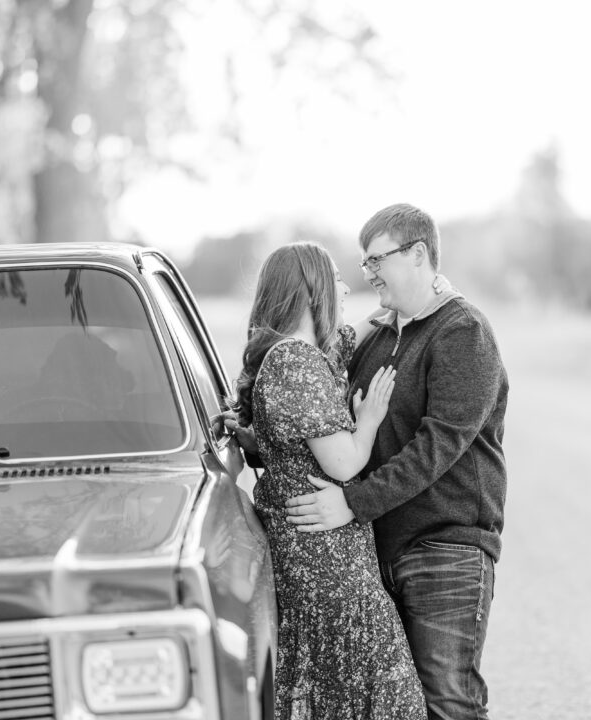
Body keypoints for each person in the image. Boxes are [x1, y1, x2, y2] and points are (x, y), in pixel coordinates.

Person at [284, 203, 509, 720]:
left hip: (446, 549)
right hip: (380, 548)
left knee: (447, 702)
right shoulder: (382, 334)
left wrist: (353, 503)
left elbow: (437, 448)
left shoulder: (462, 332)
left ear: (419, 255)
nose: (369, 275)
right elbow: (319, 408)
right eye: (365, 265)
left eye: (376, 261)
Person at [230, 242, 426, 720]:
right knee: (379, 689)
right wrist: (371, 419)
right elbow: (343, 465)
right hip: (327, 563)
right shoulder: (296, 364)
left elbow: (349, 333)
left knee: (337, 690)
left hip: (315, 555)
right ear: (312, 288)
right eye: (335, 277)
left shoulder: (295, 354)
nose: (344, 287)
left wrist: (401, 299)